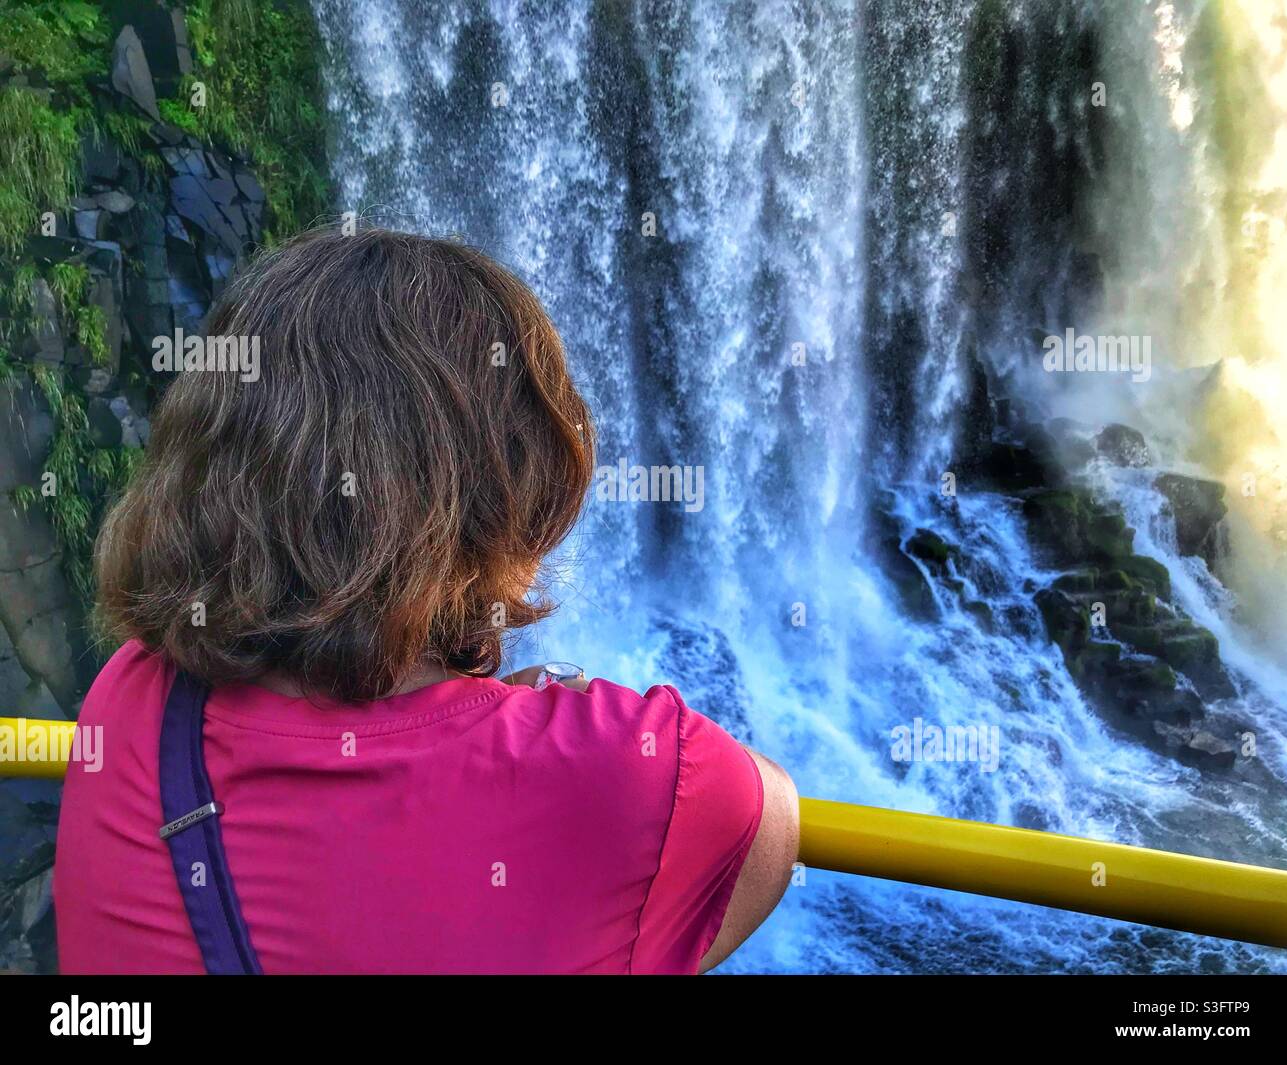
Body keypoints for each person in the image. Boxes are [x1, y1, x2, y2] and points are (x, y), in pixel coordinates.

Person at [53, 226, 799, 974]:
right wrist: (528, 732)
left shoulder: (129, 696)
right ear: (506, 480)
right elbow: (770, 811)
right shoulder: (623, 777)